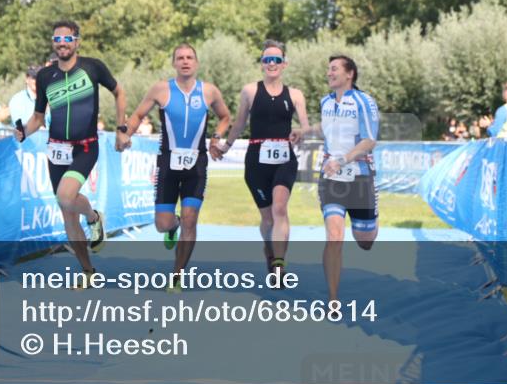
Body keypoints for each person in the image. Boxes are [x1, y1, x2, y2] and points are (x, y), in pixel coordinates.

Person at [16, 20, 126, 280]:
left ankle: (93, 216)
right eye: (58, 39)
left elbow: (119, 92)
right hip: (56, 150)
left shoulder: (92, 67)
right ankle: (87, 271)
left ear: (77, 41)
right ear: (53, 43)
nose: (62, 44)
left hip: (85, 148)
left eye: (68, 39)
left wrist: (121, 127)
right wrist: (23, 132)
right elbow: (38, 118)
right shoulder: (45, 76)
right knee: (67, 213)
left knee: (66, 197)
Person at [116, 43, 230, 292]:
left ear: (197, 63)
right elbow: (136, 116)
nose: (185, 61)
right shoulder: (161, 89)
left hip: (196, 163)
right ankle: (173, 225)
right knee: (162, 224)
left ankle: (177, 276)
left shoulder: (209, 91)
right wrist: (126, 134)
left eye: (190, 57)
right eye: (180, 58)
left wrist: (216, 137)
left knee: (192, 219)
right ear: (174, 63)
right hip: (168, 162)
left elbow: (225, 117)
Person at [219, 40, 310, 280]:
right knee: (267, 218)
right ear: (262, 64)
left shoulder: (296, 94)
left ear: (284, 64)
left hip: (284, 158)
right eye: (267, 59)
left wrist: (301, 132)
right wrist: (226, 146)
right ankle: (270, 250)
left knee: (280, 208)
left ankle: (279, 264)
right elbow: (239, 123)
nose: (272, 63)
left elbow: (306, 126)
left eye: (276, 60)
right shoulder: (250, 91)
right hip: (257, 160)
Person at [292, 55, 379, 301]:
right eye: (328, 69)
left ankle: (372, 218)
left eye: (334, 69)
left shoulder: (364, 102)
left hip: (360, 177)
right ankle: (333, 298)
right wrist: (304, 131)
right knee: (334, 236)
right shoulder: (326, 101)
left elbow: (370, 140)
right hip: (331, 177)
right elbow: (325, 127)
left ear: (349, 74)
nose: (329, 73)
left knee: (365, 240)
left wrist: (343, 160)